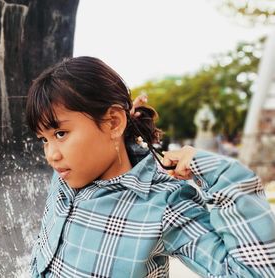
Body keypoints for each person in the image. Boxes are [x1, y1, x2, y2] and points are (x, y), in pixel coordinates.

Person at [26, 56, 275, 277]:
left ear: (113, 122)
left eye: (60, 133)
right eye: (44, 139)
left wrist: (221, 175)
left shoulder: (163, 204)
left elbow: (256, 272)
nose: (51, 155)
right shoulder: (65, 177)